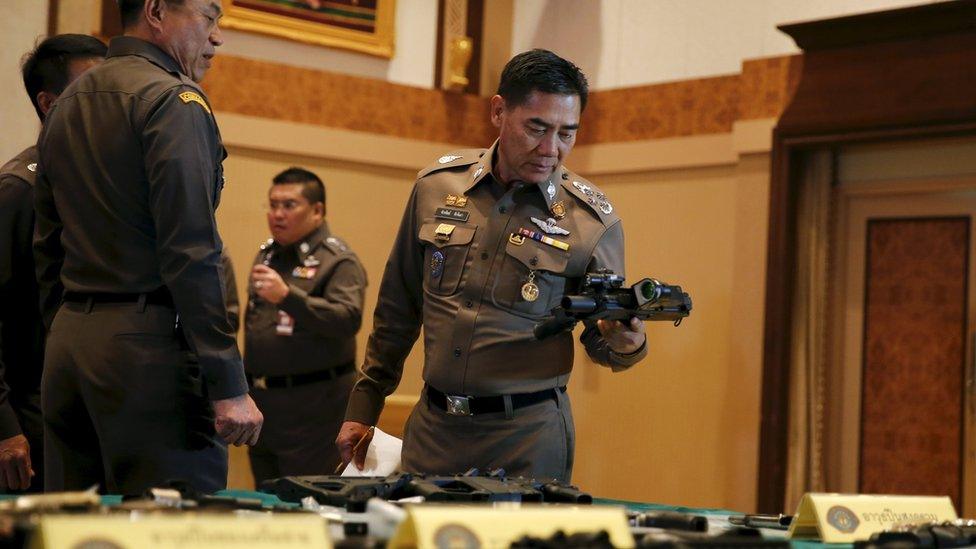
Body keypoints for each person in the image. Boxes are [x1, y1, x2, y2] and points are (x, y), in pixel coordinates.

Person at [337, 49, 647, 482]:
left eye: (566, 133)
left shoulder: (591, 222)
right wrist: (364, 405)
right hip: (434, 430)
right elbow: (398, 307)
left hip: (526, 439)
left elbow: (602, 340)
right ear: (499, 111)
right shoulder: (436, 187)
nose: (551, 149)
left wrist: (627, 343)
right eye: (537, 128)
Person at [33, 0, 263, 494]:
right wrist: (229, 384)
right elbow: (191, 251)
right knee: (175, 530)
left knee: (74, 532)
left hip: (70, 347)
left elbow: (47, 245)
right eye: (208, 17)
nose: (217, 36)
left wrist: (66, 331)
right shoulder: (173, 101)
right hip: (149, 354)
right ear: (157, 12)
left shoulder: (68, 102)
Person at [0, 34, 106, 493]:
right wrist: (4, 426)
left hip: (82, 409)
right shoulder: (18, 190)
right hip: (29, 418)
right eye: (93, 89)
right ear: (50, 103)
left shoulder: (96, 184)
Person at [245, 167, 366, 484]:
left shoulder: (338, 260)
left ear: (317, 211)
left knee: (307, 503)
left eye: (289, 205)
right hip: (264, 407)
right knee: (267, 503)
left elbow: (347, 319)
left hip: (314, 410)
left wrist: (288, 297)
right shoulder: (267, 256)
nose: (277, 214)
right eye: (273, 205)